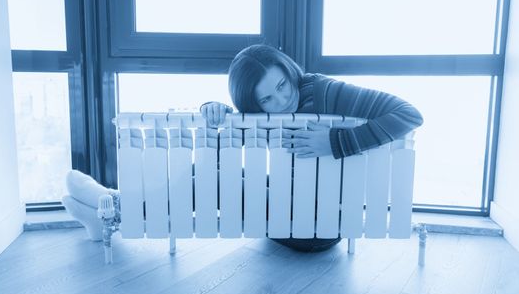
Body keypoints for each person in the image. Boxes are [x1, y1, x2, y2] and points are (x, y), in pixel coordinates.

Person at [63, 44, 423, 251]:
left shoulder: (326, 91)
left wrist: (335, 141)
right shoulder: (258, 113)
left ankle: (113, 208)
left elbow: (409, 114)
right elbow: (223, 151)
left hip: (319, 229)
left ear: (288, 67)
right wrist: (213, 110)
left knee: (215, 182)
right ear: (254, 104)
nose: (282, 100)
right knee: (204, 173)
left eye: (283, 84)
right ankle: (113, 210)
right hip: (289, 206)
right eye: (266, 99)